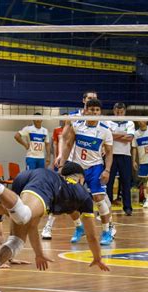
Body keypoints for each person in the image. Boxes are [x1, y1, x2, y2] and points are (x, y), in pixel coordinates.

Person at [0, 162, 110, 292]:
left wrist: (38, 253)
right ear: (79, 178)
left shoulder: (58, 192)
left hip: (26, 178)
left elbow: (32, 225)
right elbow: (92, 236)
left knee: (16, 241)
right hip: (43, 180)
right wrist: (97, 257)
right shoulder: (81, 195)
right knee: (24, 216)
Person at [57, 98, 115, 245]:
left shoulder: (105, 131)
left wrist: (107, 170)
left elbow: (109, 153)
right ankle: (79, 228)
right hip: (77, 167)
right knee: (68, 199)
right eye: (91, 109)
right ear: (86, 110)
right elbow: (68, 144)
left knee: (99, 200)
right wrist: (62, 164)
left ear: (99, 112)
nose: (94, 112)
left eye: (96, 110)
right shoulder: (77, 125)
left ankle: (107, 232)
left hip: (95, 167)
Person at [43, 91, 97, 240]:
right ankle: (49, 227)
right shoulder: (73, 117)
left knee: (96, 198)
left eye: (94, 98)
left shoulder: (100, 119)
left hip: (91, 164)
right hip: (72, 163)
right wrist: (60, 155)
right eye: (89, 98)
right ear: (83, 100)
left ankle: (107, 228)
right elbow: (63, 137)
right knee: (60, 194)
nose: (92, 100)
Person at [105, 103, 135, 216]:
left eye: (121, 111)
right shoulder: (108, 122)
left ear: (124, 111)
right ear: (114, 110)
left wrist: (114, 135)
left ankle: (127, 207)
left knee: (126, 182)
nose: (119, 113)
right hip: (110, 155)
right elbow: (108, 136)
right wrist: (122, 135)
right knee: (108, 182)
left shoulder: (130, 122)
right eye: (117, 111)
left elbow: (130, 138)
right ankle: (106, 207)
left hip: (125, 156)